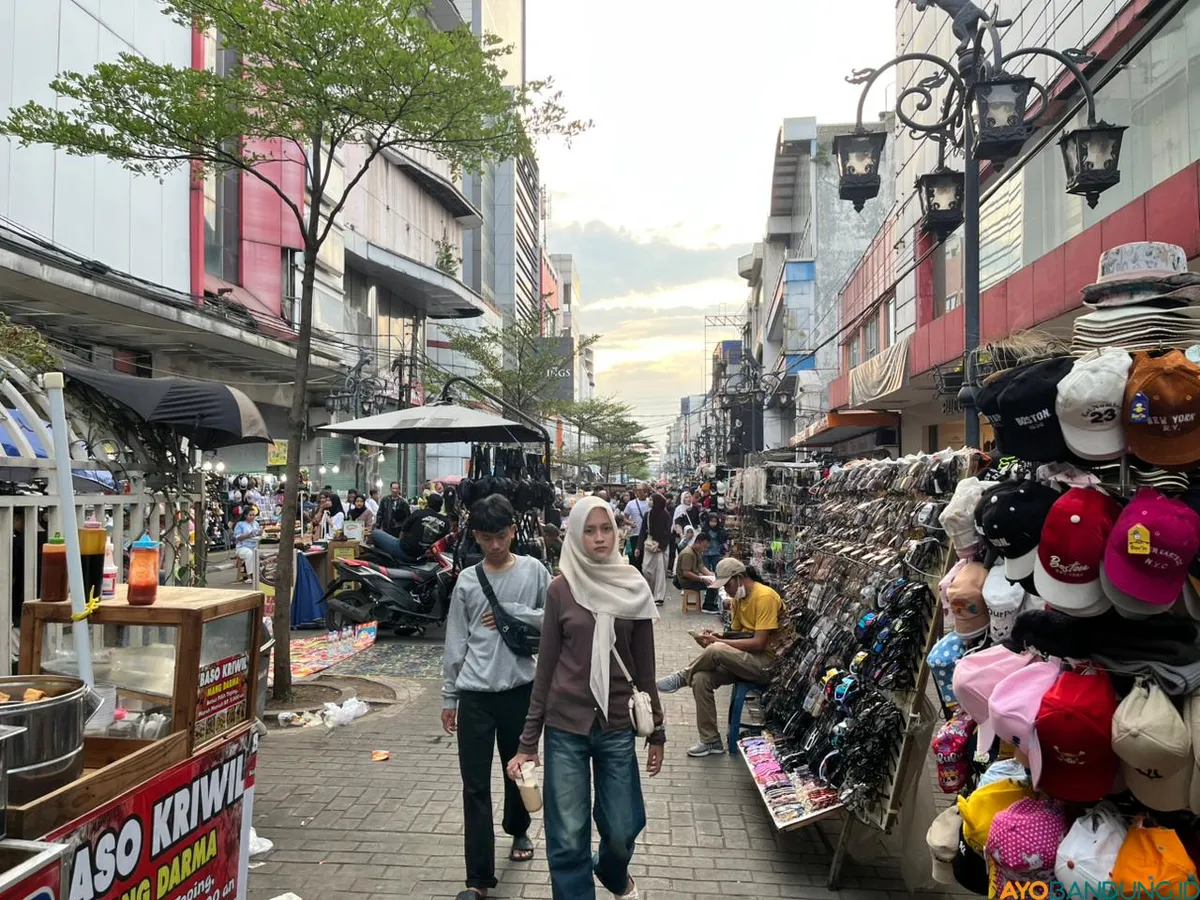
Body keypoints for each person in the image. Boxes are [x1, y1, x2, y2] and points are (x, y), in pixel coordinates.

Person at [507, 497, 663, 900]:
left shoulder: (633, 585)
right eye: (589, 531)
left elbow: (645, 667)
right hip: (565, 726)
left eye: (606, 528)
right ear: (575, 536)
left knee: (623, 828)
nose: (599, 538)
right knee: (567, 836)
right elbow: (545, 668)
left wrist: (657, 732)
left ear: (617, 531)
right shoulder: (561, 589)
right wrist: (528, 742)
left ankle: (611, 870)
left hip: (616, 725)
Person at [442, 495, 549, 900]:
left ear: (513, 531)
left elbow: (553, 620)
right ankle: (478, 879)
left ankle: (519, 828)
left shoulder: (534, 571)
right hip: (475, 695)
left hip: (520, 691)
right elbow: (456, 640)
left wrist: (511, 610)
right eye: (486, 538)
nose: (494, 545)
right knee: (474, 787)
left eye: (501, 536)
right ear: (475, 536)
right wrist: (449, 697)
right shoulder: (468, 580)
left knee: (520, 772)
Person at [657, 558, 785, 757]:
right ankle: (711, 741)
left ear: (739, 578)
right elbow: (738, 635)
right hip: (745, 659)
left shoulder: (765, 597)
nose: (727, 590)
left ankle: (682, 677)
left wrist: (719, 643)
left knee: (717, 649)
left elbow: (759, 643)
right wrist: (718, 637)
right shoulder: (739, 599)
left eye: (728, 585)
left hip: (767, 663)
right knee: (700, 679)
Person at [371, 491, 449, 562]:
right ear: (440, 508)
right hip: (424, 556)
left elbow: (403, 532)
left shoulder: (418, 513)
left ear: (427, 503)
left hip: (406, 552)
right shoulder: (446, 522)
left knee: (375, 533)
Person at [639, 492, 671, 607]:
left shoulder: (665, 515)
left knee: (660, 572)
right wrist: (638, 547)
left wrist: (661, 546)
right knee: (646, 569)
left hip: (661, 546)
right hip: (649, 543)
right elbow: (643, 531)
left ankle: (659, 597)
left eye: (652, 500)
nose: (649, 501)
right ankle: (650, 592)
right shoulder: (647, 515)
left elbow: (667, 532)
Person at [623, 483, 649, 572]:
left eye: (643, 490)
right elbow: (624, 518)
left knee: (645, 559)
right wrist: (630, 522)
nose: (641, 493)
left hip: (648, 535)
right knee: (635, 559)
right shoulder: (631, 504)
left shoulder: (650, 503)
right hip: (635, 534)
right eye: (639, 491)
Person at [233, 507, 261, 583]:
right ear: (245, 515)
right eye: (250, 515)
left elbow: (258, 534)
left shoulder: (256, 524)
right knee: (250, 553)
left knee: (262, 553)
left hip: (254, 545)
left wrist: (260, 533)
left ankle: (261, 574)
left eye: (253, 515)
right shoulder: (240, 524)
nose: (252, 517)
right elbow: (238, 537)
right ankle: (250, 576)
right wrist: (248, 535)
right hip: (242, 547)